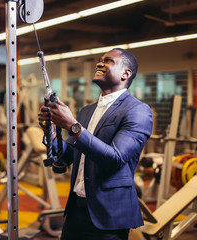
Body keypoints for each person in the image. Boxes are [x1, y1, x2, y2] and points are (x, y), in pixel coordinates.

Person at [38, 48, 153, 240]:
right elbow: (66, 157)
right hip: (76, 211)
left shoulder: (138, 111)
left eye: (108, 61)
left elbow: (115, 158)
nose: (100, 64)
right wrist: (49, 129)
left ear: (126, 73)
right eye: (100, 60)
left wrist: (72, 126)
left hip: (109, 215)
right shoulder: (86, 111)